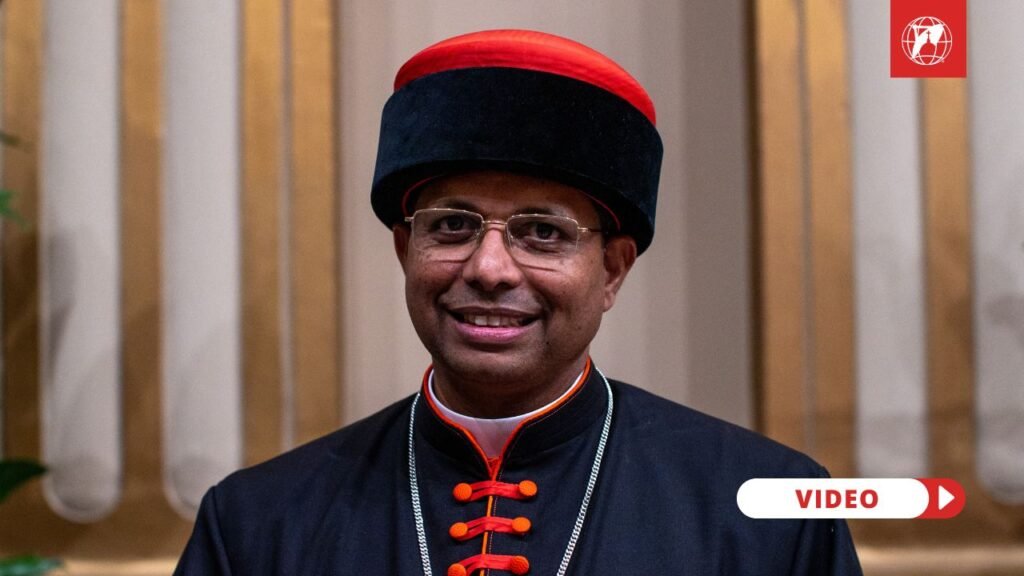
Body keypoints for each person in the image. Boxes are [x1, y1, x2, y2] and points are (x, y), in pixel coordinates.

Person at [174, 29, 862, 575]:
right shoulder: (256, 524)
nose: (491, 268)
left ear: (613, 270)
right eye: (451, 225)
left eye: (542, 232)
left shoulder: (773, 512)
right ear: (403, 251)